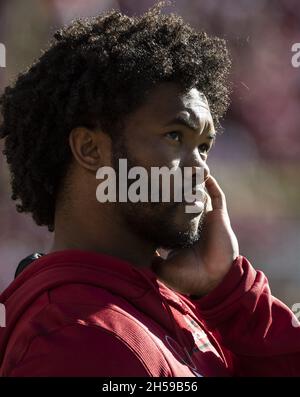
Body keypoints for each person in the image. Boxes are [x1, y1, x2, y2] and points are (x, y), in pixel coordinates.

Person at [0, 3, 299, 377]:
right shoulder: (80, 338)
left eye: (204, 146)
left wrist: (229, 291)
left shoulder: (161, 303)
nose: (200, 167)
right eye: (175, 136)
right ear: (91, 149)